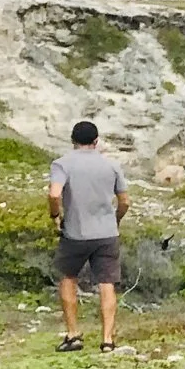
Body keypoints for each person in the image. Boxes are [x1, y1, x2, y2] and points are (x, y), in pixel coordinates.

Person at [48, 120, 129, 354]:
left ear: (73, 141)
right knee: (107, 283)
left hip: (75, 232)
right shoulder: (111, 165)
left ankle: (73, 335)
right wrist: (116, 219)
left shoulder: (62, 164)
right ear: (96, 141)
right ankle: (107, 340)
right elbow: (124, 201)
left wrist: (55, 215)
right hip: (107, 233)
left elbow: (54, 194)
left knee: (68, 277)